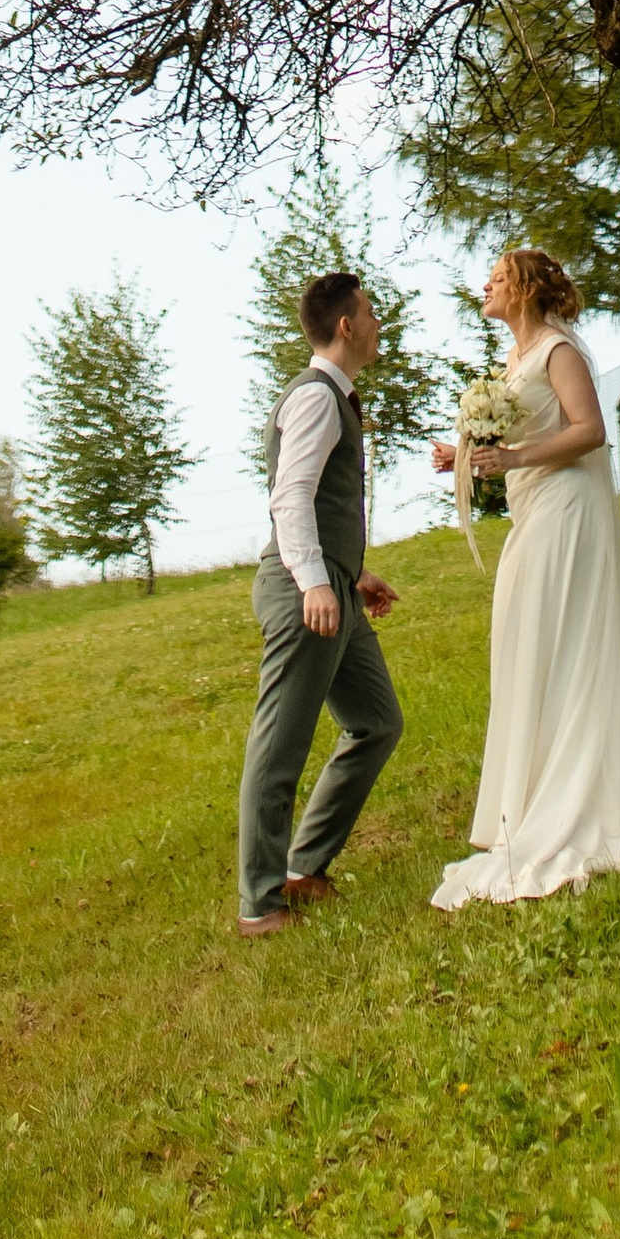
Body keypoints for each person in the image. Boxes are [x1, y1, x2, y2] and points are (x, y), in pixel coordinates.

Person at [429, 246, 620, 909]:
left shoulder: (557, 351)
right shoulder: (514, 363)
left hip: (566, 512)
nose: (485, 286)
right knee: (523, 646)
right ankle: (526, 801)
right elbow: (516, 444)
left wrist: (514, 454)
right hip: (531, 512)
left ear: (524, 289)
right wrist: (464, 455)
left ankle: (571, 803)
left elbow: (591, 432)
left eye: (497, 277)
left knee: (560, 643)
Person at [234, 269, 403, 935]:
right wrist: (312, 581)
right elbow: (290, 496)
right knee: (279, 747)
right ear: (345, 326)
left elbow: (316, 501)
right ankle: (259, 904)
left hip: (332, 584)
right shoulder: (314, 398)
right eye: (372, 314)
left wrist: (351, 573)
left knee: (377, 722)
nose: (378, 325)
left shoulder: (336, 396)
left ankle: (304, 869)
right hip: (305, 591)